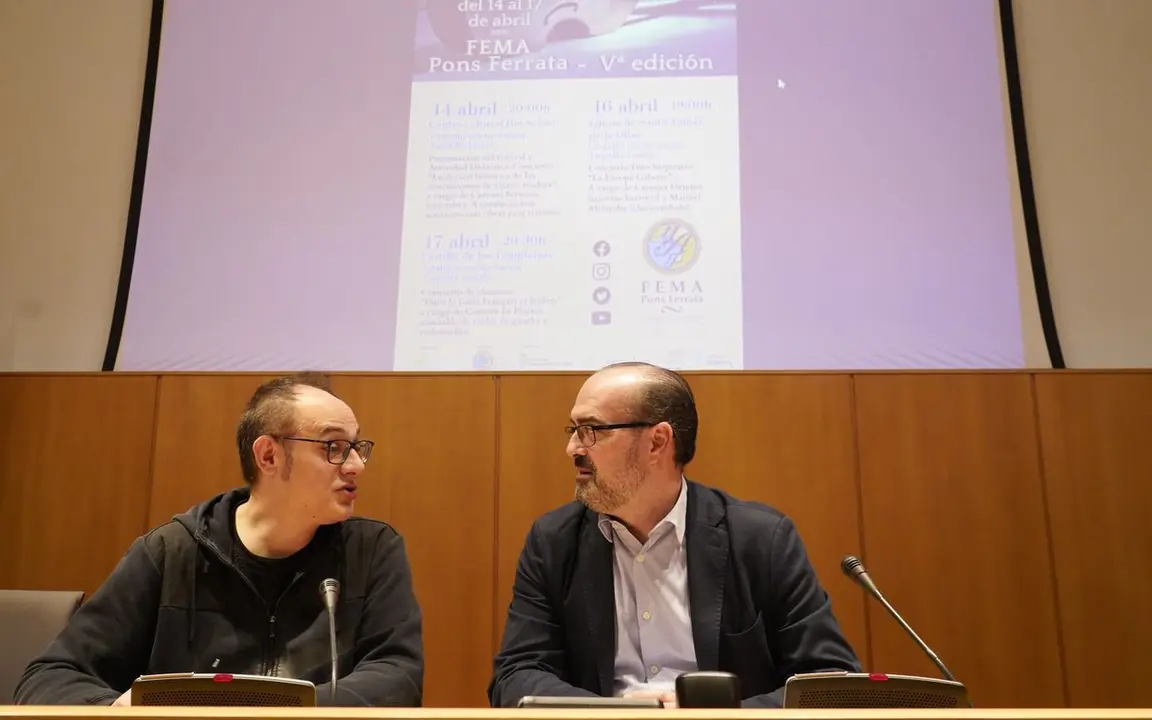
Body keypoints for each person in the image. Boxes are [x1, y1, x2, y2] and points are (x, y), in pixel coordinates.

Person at [15, 373, 423, 707]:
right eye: (334, 447)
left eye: (356, 447)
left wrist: (282, 714)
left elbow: (398, 676)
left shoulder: (371, 551)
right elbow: (52, 676)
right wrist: (114, 709)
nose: (355, 465)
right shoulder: (171, 553)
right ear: (268, 456)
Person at [488, 362, 860, 708]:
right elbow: (516, 675)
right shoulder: (554, 542)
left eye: (591, 431)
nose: (572, 448)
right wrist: (617, 713)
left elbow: (829, 681)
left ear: (657, 442)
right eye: (573, 431)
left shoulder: (760, 540)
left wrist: (710, 714)